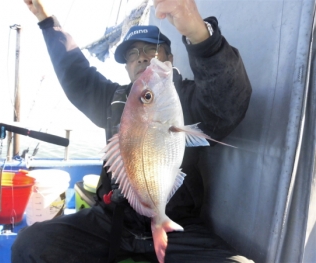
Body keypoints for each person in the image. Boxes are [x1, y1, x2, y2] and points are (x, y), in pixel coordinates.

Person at [13, 0, 253, 262]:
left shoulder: (190, 98)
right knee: (30, 245)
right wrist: (46, 20)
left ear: (170, 59)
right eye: (132, 54)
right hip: (113, 220)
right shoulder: (113, 99)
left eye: (153, 49)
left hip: (178, 223)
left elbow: (226, 102)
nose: (142, 57)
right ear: (127, 67)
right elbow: (75, 72)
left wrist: (199, 34)